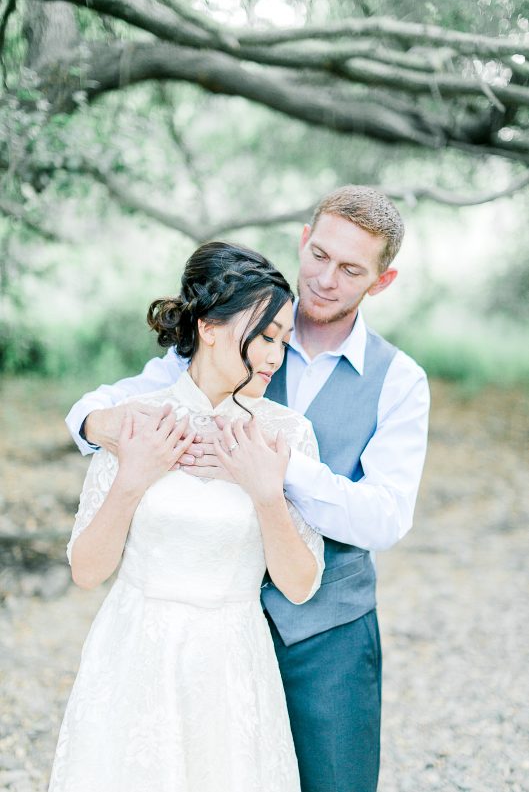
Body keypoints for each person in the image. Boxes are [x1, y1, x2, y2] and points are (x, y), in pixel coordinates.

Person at [66, 185, 430, 792]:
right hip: (197, 632)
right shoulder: (244, 325)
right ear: (302, 241)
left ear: (381, 281)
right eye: (319, 256)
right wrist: (107, 431)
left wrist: (275, 472)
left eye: (350, 270)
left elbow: (386, 518)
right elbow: (116, 402)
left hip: (327, 631)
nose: (325, 279)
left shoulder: (400, 381)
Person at [49, 242, 325, 792]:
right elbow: (85, 571)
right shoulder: (134, 422)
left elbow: (299, 586)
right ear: (209, 328)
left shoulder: (286, 434)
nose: (274, 357)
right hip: (134, 653)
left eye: (283, 342)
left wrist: (265, 492)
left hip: (232, 661)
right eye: (264, 337)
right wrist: (132, 479)